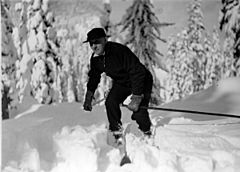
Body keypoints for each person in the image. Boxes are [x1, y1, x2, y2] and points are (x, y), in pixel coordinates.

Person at [83, 27, 153, 141]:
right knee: (111, 102)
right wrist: (89, 95)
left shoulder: (119, 51)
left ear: (105, 40)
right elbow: (94, 77)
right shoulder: (96, 59)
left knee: (139, 111)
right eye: (91, 44)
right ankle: (117, 133)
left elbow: (137, 72)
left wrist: (136, 97)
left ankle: (147, 133)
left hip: (141, 79)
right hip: (122, 82)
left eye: (97, 42)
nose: (94, 46)